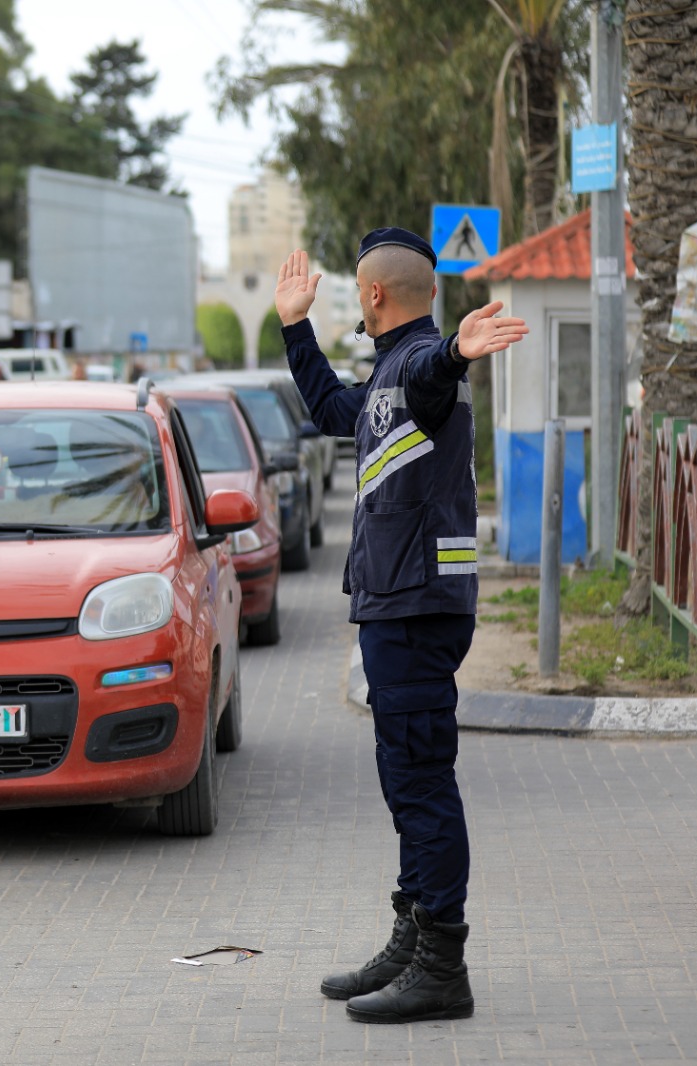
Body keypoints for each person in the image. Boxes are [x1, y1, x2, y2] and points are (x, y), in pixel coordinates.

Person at [275, 232, 528, 1024]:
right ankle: (410, 940)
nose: (353, 301)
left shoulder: (419, 367)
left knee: (421, 784)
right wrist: (294, 329)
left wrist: (456, 347)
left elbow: (433, 368)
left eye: (355, 292)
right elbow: (327, 411)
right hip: (396, 599)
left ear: (376, 295)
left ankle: (441, 966)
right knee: (405, 781)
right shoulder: (385, 373)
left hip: (417, 602)